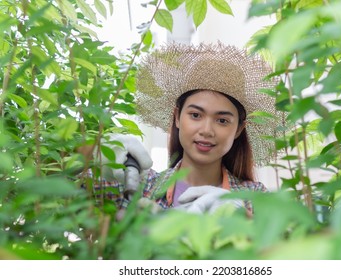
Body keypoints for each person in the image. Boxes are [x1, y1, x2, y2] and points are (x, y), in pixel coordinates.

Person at [84, 42, 282, 218]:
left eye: (222, 120)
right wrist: (92, 153)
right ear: (177, 117)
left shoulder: (254, 198)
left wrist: (243, 221)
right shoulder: (138, 185)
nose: (206, 130)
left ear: (239, 130)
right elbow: (61, 179)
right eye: (196, 115)